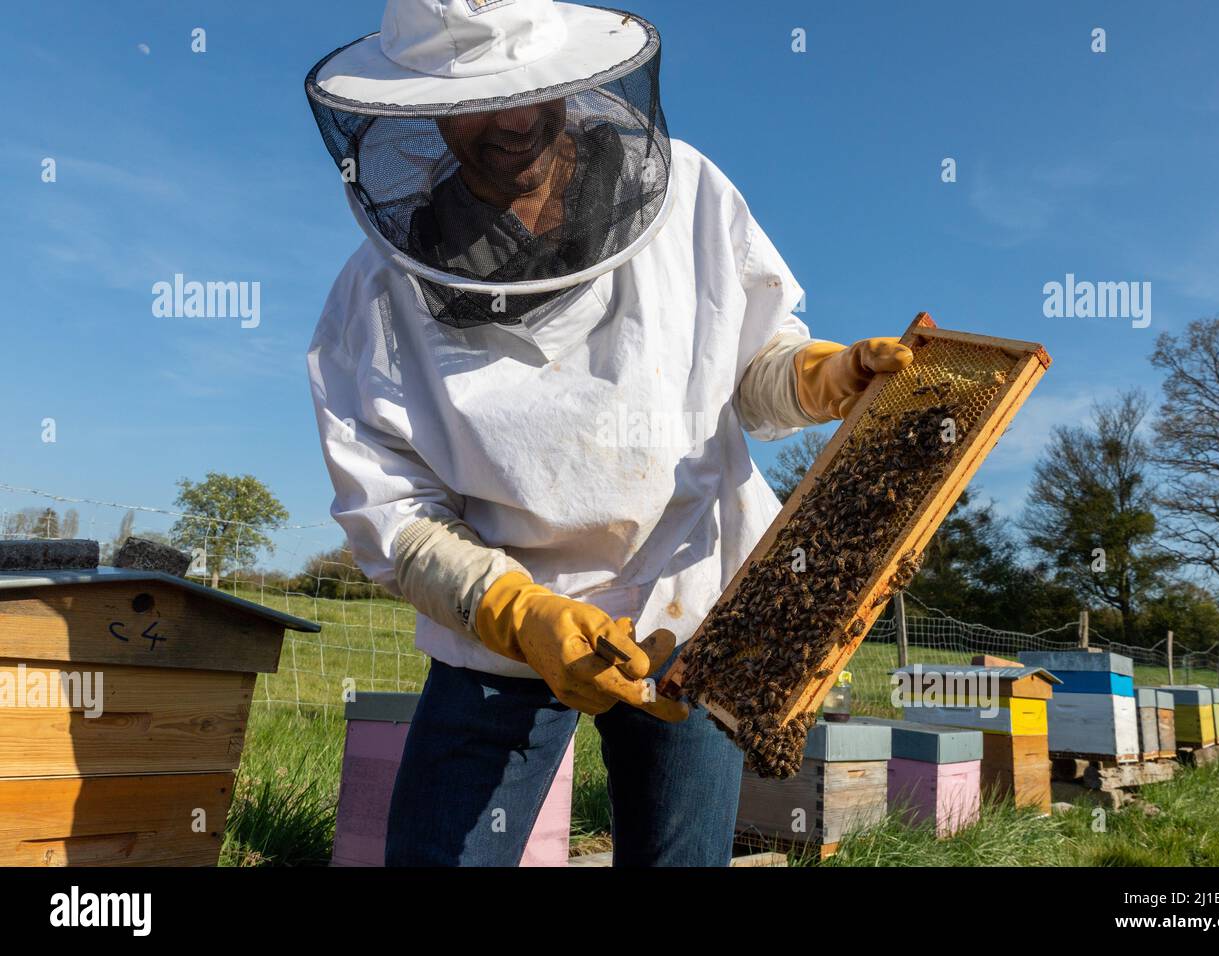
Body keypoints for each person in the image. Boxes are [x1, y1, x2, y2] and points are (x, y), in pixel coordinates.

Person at [304, 0, 912, 867]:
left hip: (694, 604)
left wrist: (826, 377)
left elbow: (756, 373)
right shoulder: (374, 299)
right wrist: (520, 614)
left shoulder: (693, 195)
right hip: (500, 632)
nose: (515, 120)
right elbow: (394, 513)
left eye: (531, 88)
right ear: (422, 108)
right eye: (481, 98)